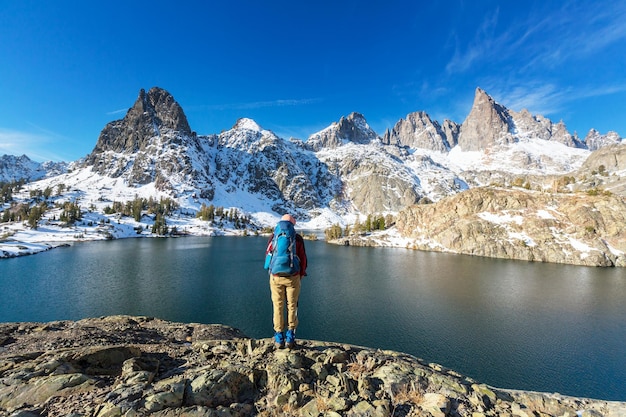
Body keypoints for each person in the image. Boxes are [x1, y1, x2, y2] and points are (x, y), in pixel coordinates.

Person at [265, 213, 307, 349]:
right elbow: (303, 259)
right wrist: (300, 274)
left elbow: (268, 256)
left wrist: (270, 271)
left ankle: (278, 337)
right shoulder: (297, 238)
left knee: (277, 306)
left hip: (276, 277)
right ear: (293, 224)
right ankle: (290, 337)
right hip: (293, 276)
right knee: (292, 305)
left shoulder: (274, 236)